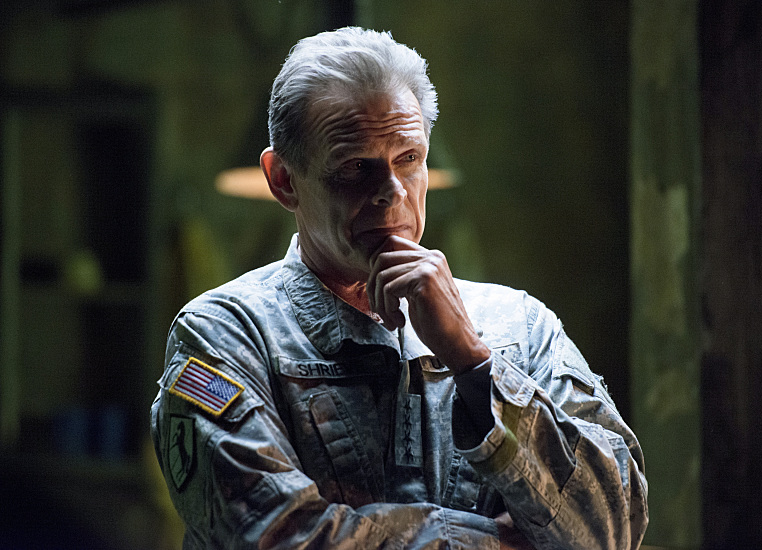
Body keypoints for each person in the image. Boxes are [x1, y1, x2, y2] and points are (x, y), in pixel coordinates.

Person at [150, 27, 648, 549]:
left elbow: (615, 529)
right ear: (284, 180)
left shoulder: (520, 325)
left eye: (409, 158)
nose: (391, 193)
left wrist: (472, 360)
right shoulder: (224, 335)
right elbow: (278, 536)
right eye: (354, 168)